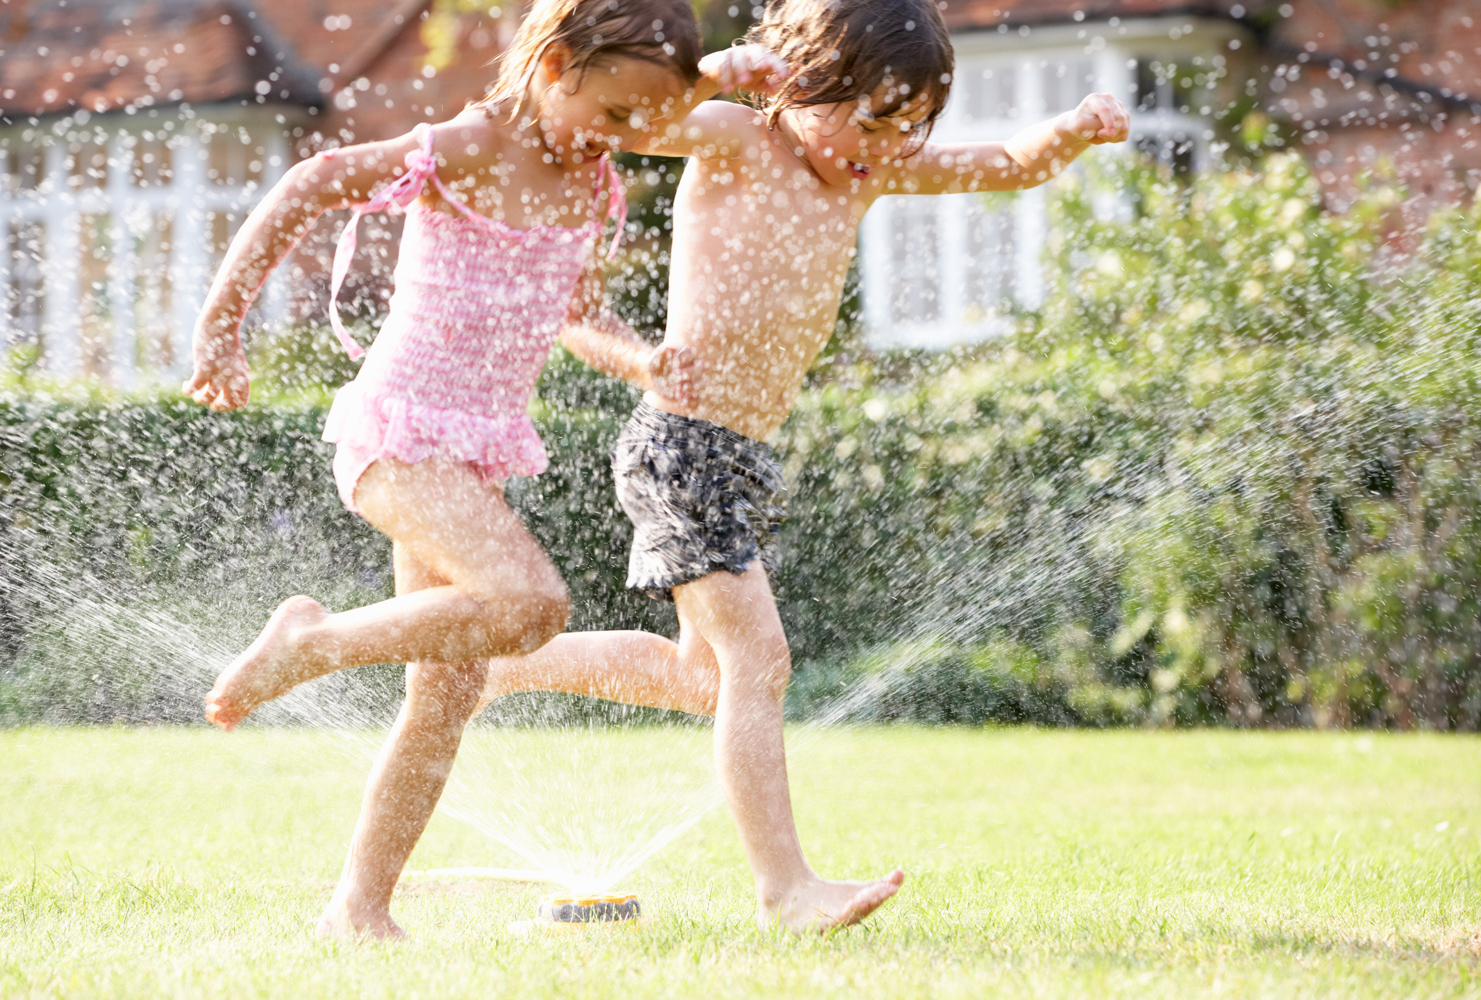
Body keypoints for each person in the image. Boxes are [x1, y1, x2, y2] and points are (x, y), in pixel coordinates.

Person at [476, 0, 1131, 932]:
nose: (887, 145)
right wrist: (717, 73)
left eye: (910, 127)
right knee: (760, 661)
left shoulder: (862, 177)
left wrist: (1069, 134)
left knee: (705, 679)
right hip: (680, 444)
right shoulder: (740, 140)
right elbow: (638, 118)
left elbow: (1005, 166)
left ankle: (500, 666)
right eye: (870, 120)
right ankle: (785, 889)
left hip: (738, 457)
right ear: (797, 84)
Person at [183, 0, 782, 939]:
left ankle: (358, 909)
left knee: (445, 696)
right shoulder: (465, 145)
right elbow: (309, 179)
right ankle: (311, 643)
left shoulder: (589, 181)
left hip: (473, 456)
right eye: (613, 115)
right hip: (397, 437)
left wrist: (642, 360)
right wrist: (221, 328)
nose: (624, 140)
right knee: (534, 605)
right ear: (551, 65)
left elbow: (577, 309)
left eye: (643, 124)